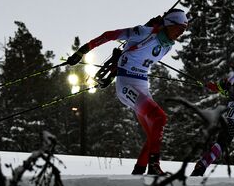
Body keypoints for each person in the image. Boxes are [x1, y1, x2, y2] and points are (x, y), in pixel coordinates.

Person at [66, 9, 188, 175]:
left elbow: (131, 54)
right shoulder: (143, 32)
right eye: (179, 28)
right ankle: (153, 166)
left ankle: (138, 171)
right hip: (126, 83)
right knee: (160, 117)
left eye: (184, 30)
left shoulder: (167, 47)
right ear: (169, 24)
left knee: (154, 131)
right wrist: (82, 51)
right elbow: (109, 35)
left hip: (143, 85)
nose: (181, 33)